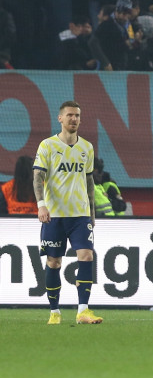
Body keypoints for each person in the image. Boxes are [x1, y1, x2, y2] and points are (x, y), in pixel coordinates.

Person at [32, 100, 103, 325]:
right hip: (54, 215)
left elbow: (89, 181)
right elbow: (37, 177)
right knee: (54, 262)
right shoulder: (47, 145)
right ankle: (55, 311)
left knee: (87, 255)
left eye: (77, 115)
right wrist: (41, 204)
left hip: (80, 215)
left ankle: (83, 311)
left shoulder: (87, 147)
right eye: (70, 115)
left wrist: (92, 212)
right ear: (60, 118)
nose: (74, 119)